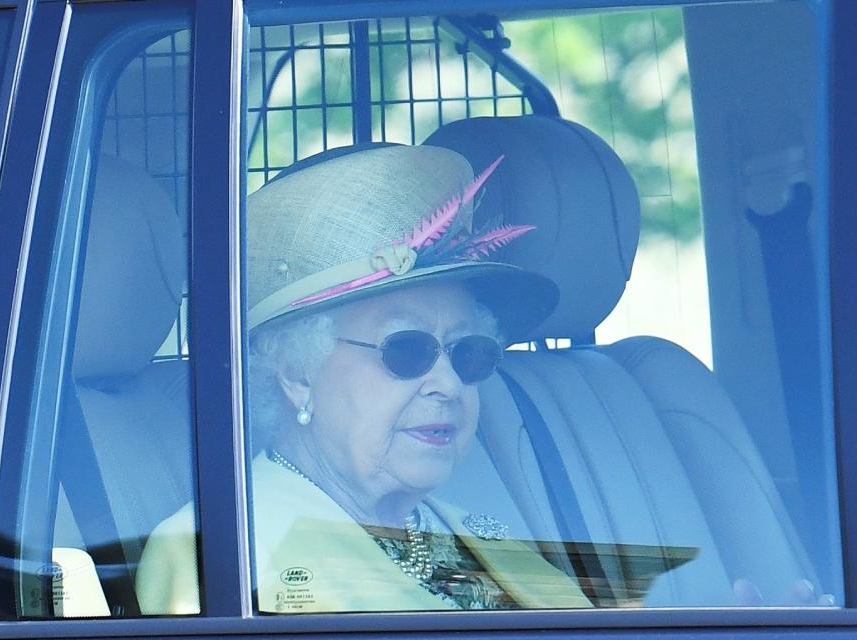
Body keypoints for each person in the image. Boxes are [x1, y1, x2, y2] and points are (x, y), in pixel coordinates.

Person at [135, 143, 591, 613]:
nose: (448, 385)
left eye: (468, 354)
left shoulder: (473, 536)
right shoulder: (227, 555)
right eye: (407, 350)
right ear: (297, 373)